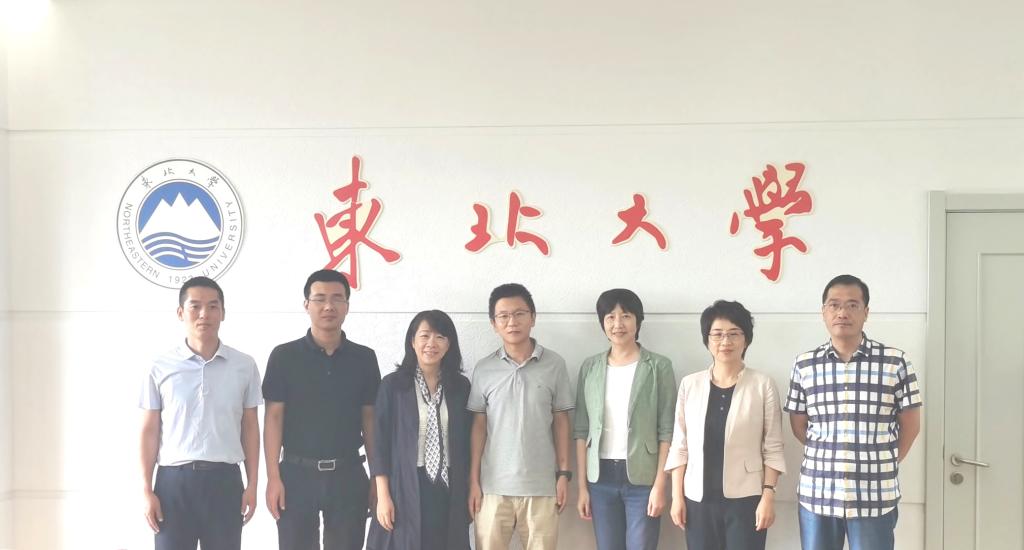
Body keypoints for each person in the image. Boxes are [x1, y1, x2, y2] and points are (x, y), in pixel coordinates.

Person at [784, 275, 922, 550]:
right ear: (823, 312)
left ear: (866, 312)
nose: (842, 313)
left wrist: (885, 460)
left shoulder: (895, 362)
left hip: (875, 493)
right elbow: (799, 425)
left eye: (852, 305)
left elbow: (911, 425)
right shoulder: (805, 365)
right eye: (834, 305)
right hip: (818, 492)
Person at [139, 276, 262, 550]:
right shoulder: (160, 366)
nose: (204, 314)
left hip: (225, 482)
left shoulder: (244, 365)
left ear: (223, 313)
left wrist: (252, 484)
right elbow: (149, 430)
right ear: (180, 312)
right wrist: (146, 489)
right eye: (195, 306)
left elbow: (250, 427)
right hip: (173, 484)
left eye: (213, 306)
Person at [262, 270, 381, 550]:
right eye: (320, 299)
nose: (329, 306)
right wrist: (273, 477)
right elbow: (273, 419)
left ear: (347, 306)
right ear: (307, 305)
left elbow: (371, 421)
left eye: (337, 299)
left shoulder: (364, 358)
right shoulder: (284, 356)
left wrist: (377, 477)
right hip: (295, 474)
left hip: (348, 474)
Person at [666, 300, 786, 550]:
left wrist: (768, 495)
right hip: (697, 499)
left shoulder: (762, 385)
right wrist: (677, 497)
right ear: (707, 340)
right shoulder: (690, 384)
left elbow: (773, 447)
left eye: (734, 334)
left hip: (747, 499)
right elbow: (680, 445)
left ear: (746, 339)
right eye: (717, 334)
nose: (725, 341)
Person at [467, 283, 574, 550]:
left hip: (541, 487)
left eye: (519, 314)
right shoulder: (484, 368)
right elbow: (479, 426)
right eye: (503, 316)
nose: (512, 322)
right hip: (492, 488)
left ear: (533, 317)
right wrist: (473, 481)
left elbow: (561, 421)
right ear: (493, 324)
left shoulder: (555, 364)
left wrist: (563, 474)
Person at [573, 288, 676, 550]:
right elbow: (582, 430)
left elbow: (667, 430)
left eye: (626, 316)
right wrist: (582, 487)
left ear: (638, 321)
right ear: (602, 323)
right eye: (610, 317)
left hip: (643, 478)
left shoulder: (659, 366)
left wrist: (660, 485)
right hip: (601, 478)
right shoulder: (590, 367)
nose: (618, 324)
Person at [367, 310, 472, 550]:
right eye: (425, 335)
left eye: (440, 337)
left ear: (449, 344)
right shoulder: (393, 386)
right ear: (412, 341)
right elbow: (380, 443)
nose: (431, 343)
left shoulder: (460, 387)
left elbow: (466, 442)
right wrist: (383, 495)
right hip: (404, 485)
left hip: (449, 485)